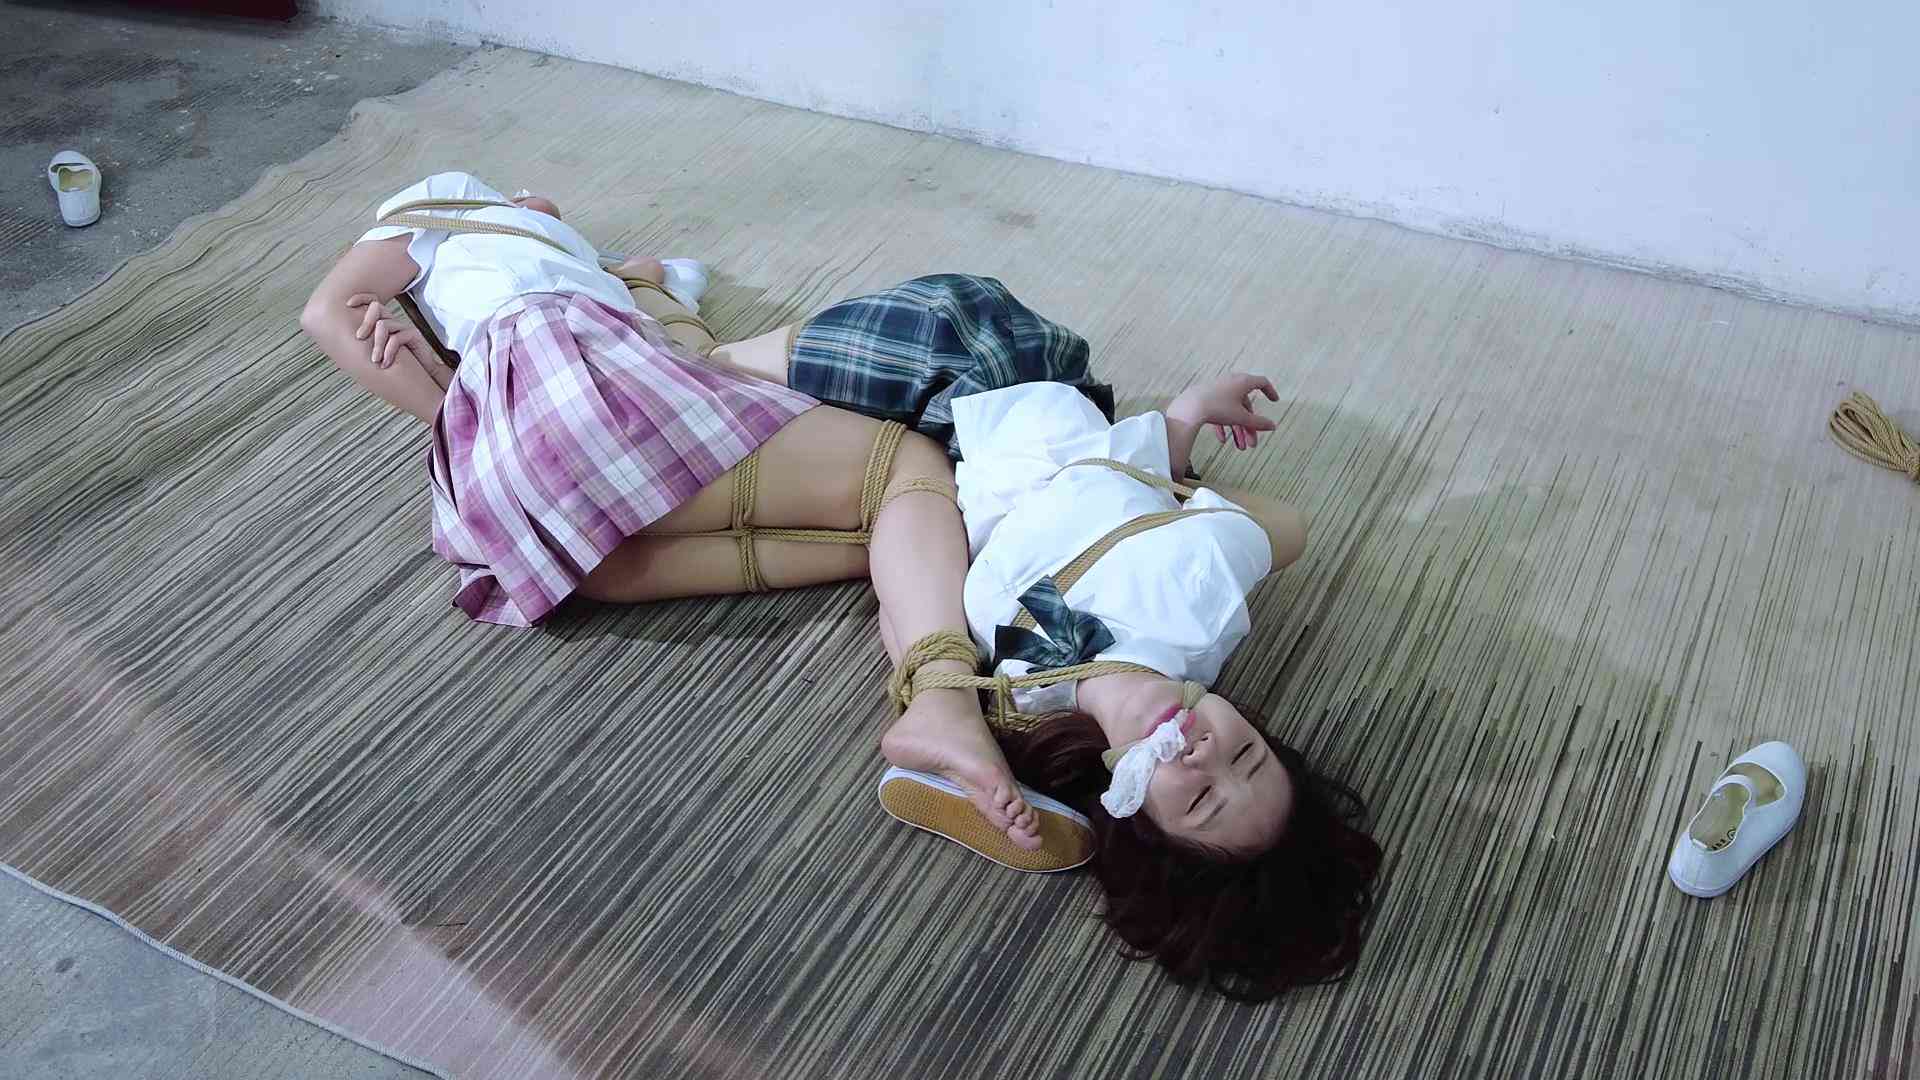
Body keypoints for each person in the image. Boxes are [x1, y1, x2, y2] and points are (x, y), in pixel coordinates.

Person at [300, 171, 1380, 999]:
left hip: (637, 482)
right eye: (1244, 752)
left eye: (1199, 793)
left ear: (1126, 798)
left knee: (857, 481)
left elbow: (540, 319)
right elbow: (1252, 524)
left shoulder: (1031, 700)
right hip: (989, 385)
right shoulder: (1195, 609)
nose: (1203, 752)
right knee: (836, 447)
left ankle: (935, 718)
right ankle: (926, 701)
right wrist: (1181, 431)